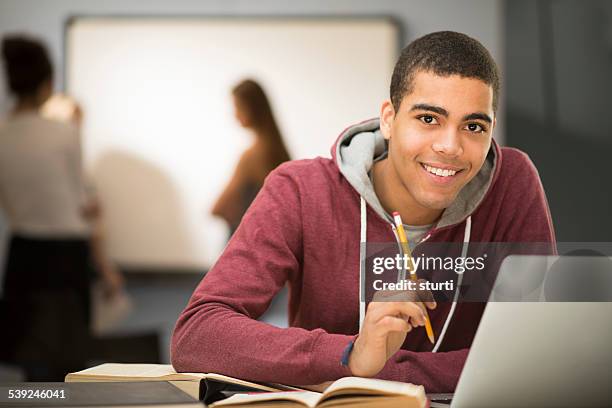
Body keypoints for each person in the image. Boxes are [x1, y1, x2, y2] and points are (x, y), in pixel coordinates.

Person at [172, 31, 555, 392]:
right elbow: (197, 335)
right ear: (389, 118)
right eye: (428, 119)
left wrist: (379, 370)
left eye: (473, 126)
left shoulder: (512, 182)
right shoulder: (300, 189)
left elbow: (538, 354)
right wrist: (351, 354)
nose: (450, 146)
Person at [0, 35, 123, 380]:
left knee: (30, 360)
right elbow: (84, 205)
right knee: (68, 364)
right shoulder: (64, 133)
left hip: (23, 256)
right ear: (47, 83)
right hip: (66, 258)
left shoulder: (2, 134)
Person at [211, 79, 291, 234]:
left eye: (237, 107)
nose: (235, 114)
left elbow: (218, 208)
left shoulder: (252, 155)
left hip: (246, 242)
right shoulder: (280, 153)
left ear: (252, 109)